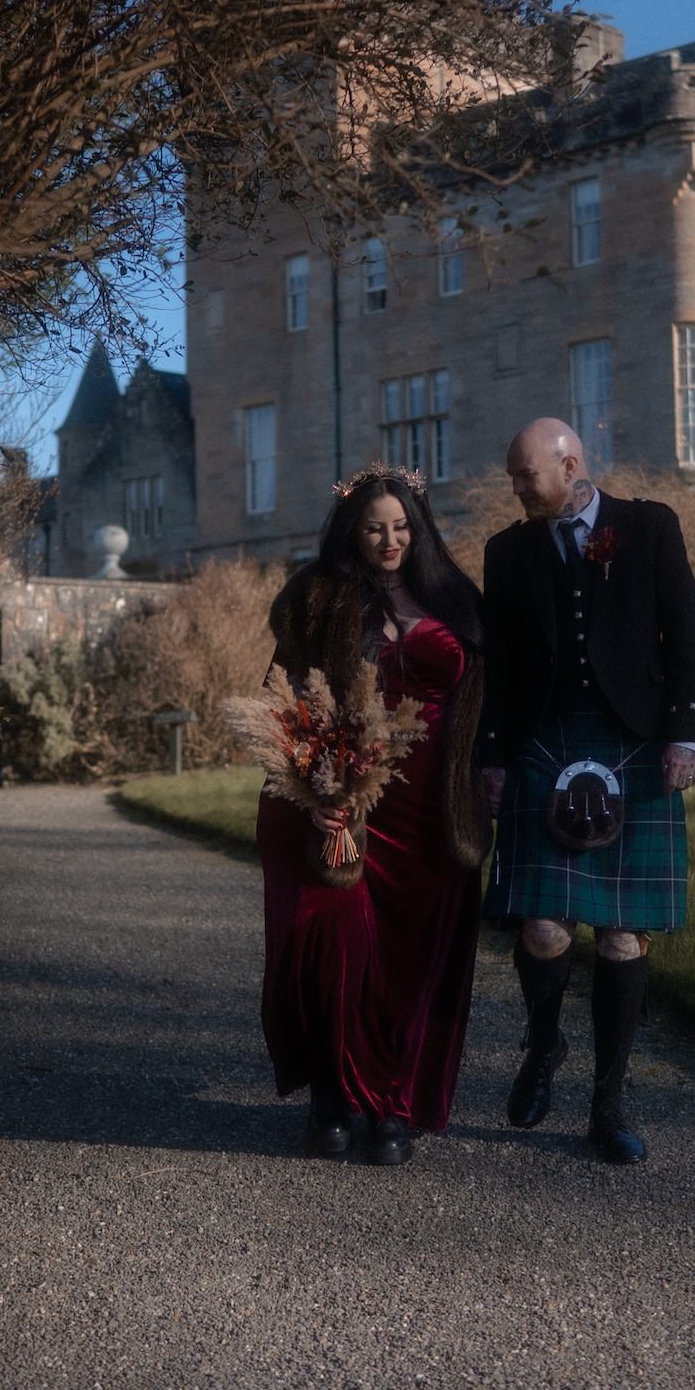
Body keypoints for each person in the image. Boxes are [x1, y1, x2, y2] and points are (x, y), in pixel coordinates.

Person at [476, 419, 695, 1163]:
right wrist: (491, 755)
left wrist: (688, 733)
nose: (515, 489)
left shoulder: (648, 528)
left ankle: (607, 1106)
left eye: (525, 476)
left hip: (634, 740)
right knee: (543, 928)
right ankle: (544, 1045)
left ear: (570, 463)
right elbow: (502, 666)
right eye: (514, 477)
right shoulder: (507, 552)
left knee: (620, 935)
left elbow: (687, 632)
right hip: (546, 741)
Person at [256, 463, 490, 1166]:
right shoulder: (318, 599)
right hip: (343, 803)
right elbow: (287, 706)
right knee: (331, 949)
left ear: (417, 527)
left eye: (400, 526)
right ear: (351, 531)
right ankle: (331, 1093)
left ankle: (394, 1103)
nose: (389, 539)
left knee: (417, 958)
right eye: (373, 527)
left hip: (432, 811)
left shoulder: (457, 599)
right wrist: (317, 794)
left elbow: (489, 703)